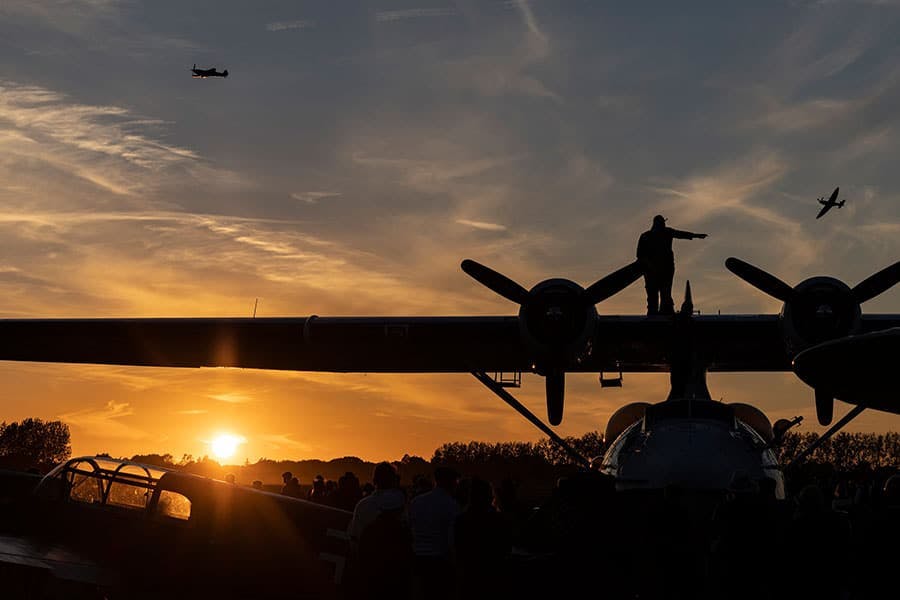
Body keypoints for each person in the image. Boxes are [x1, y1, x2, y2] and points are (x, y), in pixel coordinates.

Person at [636, 215, 707, 315]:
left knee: (662, 294)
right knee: (658, 295)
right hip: (656, 271)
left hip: (660, 270)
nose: (664, 225)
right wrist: (696, 235)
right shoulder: (657, 234)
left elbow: (680, 234)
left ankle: (661, 312)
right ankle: (657, 313)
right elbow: (640, 255)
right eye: (662, 223)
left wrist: (695, 235)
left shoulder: (648, 235)